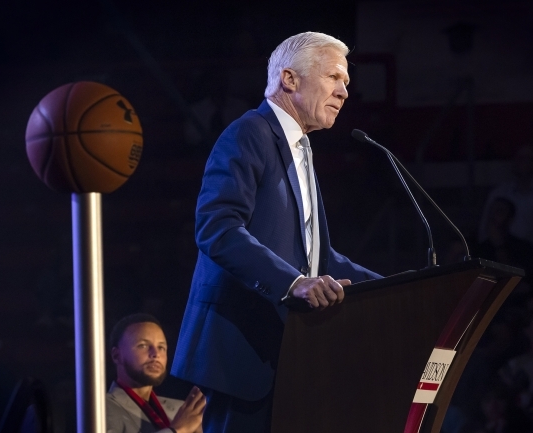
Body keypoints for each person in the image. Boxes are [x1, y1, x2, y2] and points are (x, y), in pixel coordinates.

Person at [171, 31, 382, 432]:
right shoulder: (249, 132)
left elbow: (321, 257)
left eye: (347, 84)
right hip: (241, 351)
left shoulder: (300, 148)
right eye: (334, 78)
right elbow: (218, 227)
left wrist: (402, 287)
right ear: (290, 79)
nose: (344, 92)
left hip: (287, 354)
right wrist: (294, 282)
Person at [107, 313, 205, 433]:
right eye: (143, 345)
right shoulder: (101, 408)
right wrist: (177, 430)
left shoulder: (183, 410)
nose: (156, 354)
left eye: (161, 347)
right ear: (116, 356)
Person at [478, 146, 533, 254]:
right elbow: (484, 230)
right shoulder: (498, 193)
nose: (523, 162)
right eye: (519, 158)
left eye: (528, 159)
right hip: (500, 257)